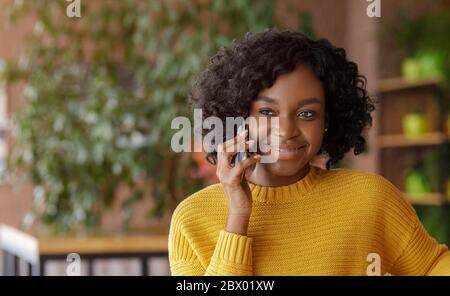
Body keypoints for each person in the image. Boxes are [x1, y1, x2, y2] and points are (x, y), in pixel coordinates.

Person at [168, 29, 450, 275]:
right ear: (239, 116)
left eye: (307, 113)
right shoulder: (192, 219)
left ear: (327, 120)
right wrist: (238, 217)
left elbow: (432, 265)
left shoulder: (370, 199)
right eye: (267, 112)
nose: (287, 129)